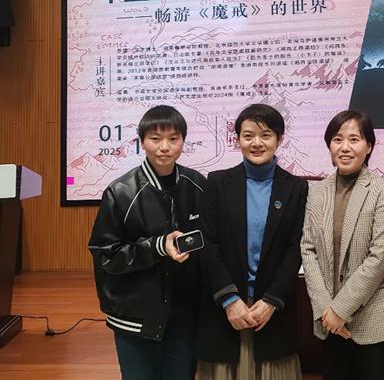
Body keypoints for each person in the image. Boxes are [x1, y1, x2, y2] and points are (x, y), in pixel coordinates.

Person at [88, 105, 206, 380]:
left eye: (173, 138)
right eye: (155, 138)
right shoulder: (120, 192)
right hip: (135, 313)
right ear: (141, 142)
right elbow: (105, 254)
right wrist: (157, 246)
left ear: (183, 141)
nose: (165, 147)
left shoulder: (197, 184)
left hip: (184, 309)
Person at [196, 104, 308, 379]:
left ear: (279, 139)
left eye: (266, 135)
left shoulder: (296, 187)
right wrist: (229, 299)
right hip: (225, 309)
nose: (257, 143)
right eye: (248, 136)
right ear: (238, 140)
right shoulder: (217, 183)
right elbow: (208, 245)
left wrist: (272, 301)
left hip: (271, 310)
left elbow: (296, 249)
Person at [300, 109, 384, 380]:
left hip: (374, 322)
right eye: (337, 139)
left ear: (368, 146)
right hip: (329, 322)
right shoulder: (317, 191)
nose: (345, 147)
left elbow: (379, 256)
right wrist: (326, 309)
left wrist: (340, 310)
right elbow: (308, 250)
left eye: (354, 139)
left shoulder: (382, 190)